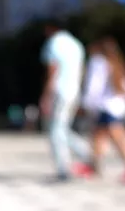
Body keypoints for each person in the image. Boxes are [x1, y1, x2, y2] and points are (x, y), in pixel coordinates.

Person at [79, 37, 125, 183]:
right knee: (98, 138)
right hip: (117, 107)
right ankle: (93, 166)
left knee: (119, 140)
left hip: (105, 107)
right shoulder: (117, 64)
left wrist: (85, 104)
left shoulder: (98, 62)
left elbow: (94, 86)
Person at [39, 21, 92, 181]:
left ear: (50, 29)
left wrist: (46, 95)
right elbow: (82, 70)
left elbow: (53, 70)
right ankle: (89, 154)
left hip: (59, 91)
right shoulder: (76, 44)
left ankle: (63, 169)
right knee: (62, 128)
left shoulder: (54, 43)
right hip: (73, 91)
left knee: (55, 130)